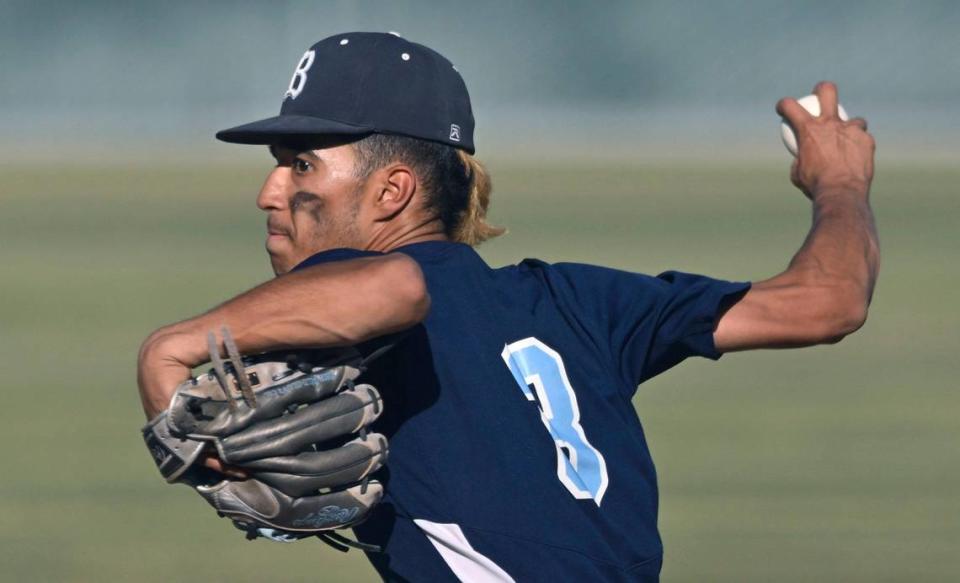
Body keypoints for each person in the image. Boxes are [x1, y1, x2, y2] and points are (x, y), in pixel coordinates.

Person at [137, 32, 878, 582]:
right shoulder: (581, 299)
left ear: (392, 192)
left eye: (302, 164)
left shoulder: (357, 285)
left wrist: (166, 351)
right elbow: (828, 299)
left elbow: (399, 288)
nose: (271, 191)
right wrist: (839, 182)